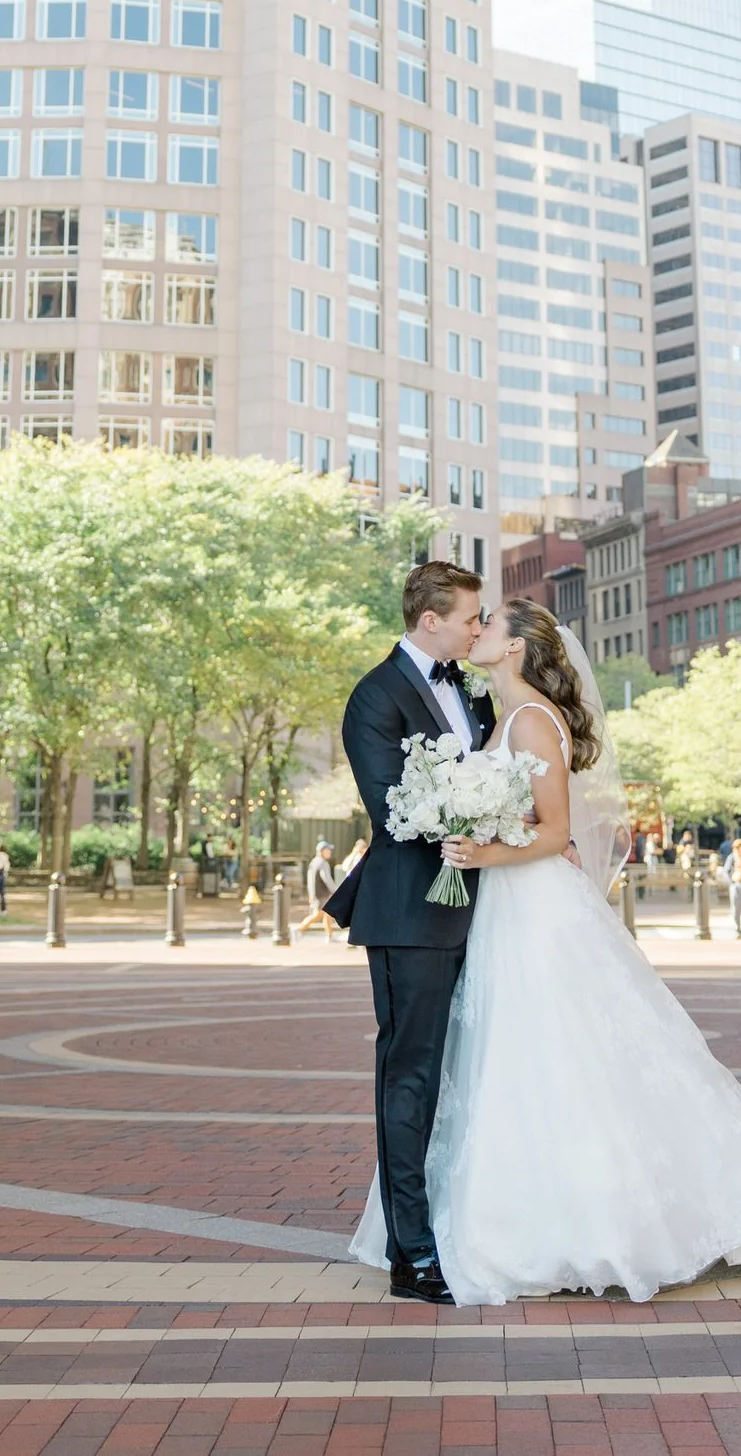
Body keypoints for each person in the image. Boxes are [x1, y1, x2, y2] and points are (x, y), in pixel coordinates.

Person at [352, 598, 741, 1302]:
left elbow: (553, 832)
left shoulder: (530, 721)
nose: (479, 628)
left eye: (488, 623)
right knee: (505, 1058)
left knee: (558, 1056)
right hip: (500, 909)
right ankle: (502, 1217)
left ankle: (595, 1227)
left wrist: (479, 850)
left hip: (532, 905)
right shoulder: (498, 715)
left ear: (515, 646)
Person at [325, 559, 495, 1305]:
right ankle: (412, 1254)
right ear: (431, 620)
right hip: (410, 913)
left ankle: (469, 1230)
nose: (478, 628)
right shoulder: (375, 695)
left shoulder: (473, 689)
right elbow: (393, 805)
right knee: (412, 1077)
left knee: (472, 1074)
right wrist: (481, 808)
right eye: (469, 617)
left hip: (486, 906)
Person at [299, 840, 340, 937]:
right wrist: (336, 891)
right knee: (317, 915)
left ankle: (329, 936)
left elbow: (310, 880)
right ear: (322, 851)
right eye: (328, 850)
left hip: (318, 894)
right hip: (322, 895)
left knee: (328, 914)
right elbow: (327, 880)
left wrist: (311, 894)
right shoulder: (323, 863)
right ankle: (298, 929)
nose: (330, 852)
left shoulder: (314, 862)